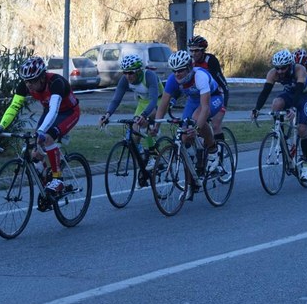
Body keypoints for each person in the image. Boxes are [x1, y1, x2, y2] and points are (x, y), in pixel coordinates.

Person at [0, 56, 80, 201]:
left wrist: (42, 132)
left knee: (47, 138)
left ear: (42, 77)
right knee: (33, 152)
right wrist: (0, 126)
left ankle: (58, 179)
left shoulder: (56, 82)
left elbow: (54, 110)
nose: (28, 85)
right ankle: (46, 182)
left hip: (68, 113)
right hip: (48, 112)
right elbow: (14, 107)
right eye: (26, 81)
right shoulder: (25, 85)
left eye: (32, 81)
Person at [150, 50, 224, 193]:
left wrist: (196, 129)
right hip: (193, 100)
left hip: (214, 98)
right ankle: (197, 161)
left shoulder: (200, 76)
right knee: (184, 135)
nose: (177, 74)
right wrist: (156, 125)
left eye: (181, 70)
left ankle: (213, 151)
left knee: (196, 120)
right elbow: (163, 104)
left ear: (189, 67)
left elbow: (204, 108)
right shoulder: (173, 79)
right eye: (175, 71)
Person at [250, 49, 307, 181]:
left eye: (283, 68)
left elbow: (298, 91)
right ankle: (280, 135)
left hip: (305, 95)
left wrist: (292, 108)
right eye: (277, 68)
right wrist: (256, 109)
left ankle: (306, 164)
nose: (280, 71)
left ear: (290, 64)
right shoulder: (272, 73)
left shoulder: (299, 69)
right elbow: (265, 93)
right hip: (290, 94)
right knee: (276, 103)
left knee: (302, 129)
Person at [98, 54, 162, 173]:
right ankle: (143, 155)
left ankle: (153, 155)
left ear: (139, 70)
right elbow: (116, 99)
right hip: (143, 102)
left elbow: (153, 100)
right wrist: (107, 115)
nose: (128, 76)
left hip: (158, 101)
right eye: (125, 72)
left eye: (131, 73)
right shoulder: (124, 80)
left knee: (145, 123)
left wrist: (144, 115)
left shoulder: (149, 75)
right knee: (134, 131)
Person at [188, 35, 230, 150]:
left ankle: (218, 154)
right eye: (191, 50)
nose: (193, 54)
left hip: (217, 95)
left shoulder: (210, 60)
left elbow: (223, 83)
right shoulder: (190, 63)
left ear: (203, 51)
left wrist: (224, 104)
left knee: (215, 125)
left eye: (197, 50)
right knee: (198, 125)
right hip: (202, 97)